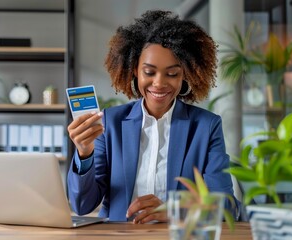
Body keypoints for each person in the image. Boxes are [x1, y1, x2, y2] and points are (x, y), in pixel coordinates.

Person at [67, 10, 240, 224]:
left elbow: (227, 207)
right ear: (134, 71)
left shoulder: (206, 126)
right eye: (149, 72)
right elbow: (82, 205)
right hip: (118, 237)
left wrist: (176, 211)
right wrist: (84, 154)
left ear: (185, 75)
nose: (159, 83)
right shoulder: (110, 123)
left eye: (172, 74)